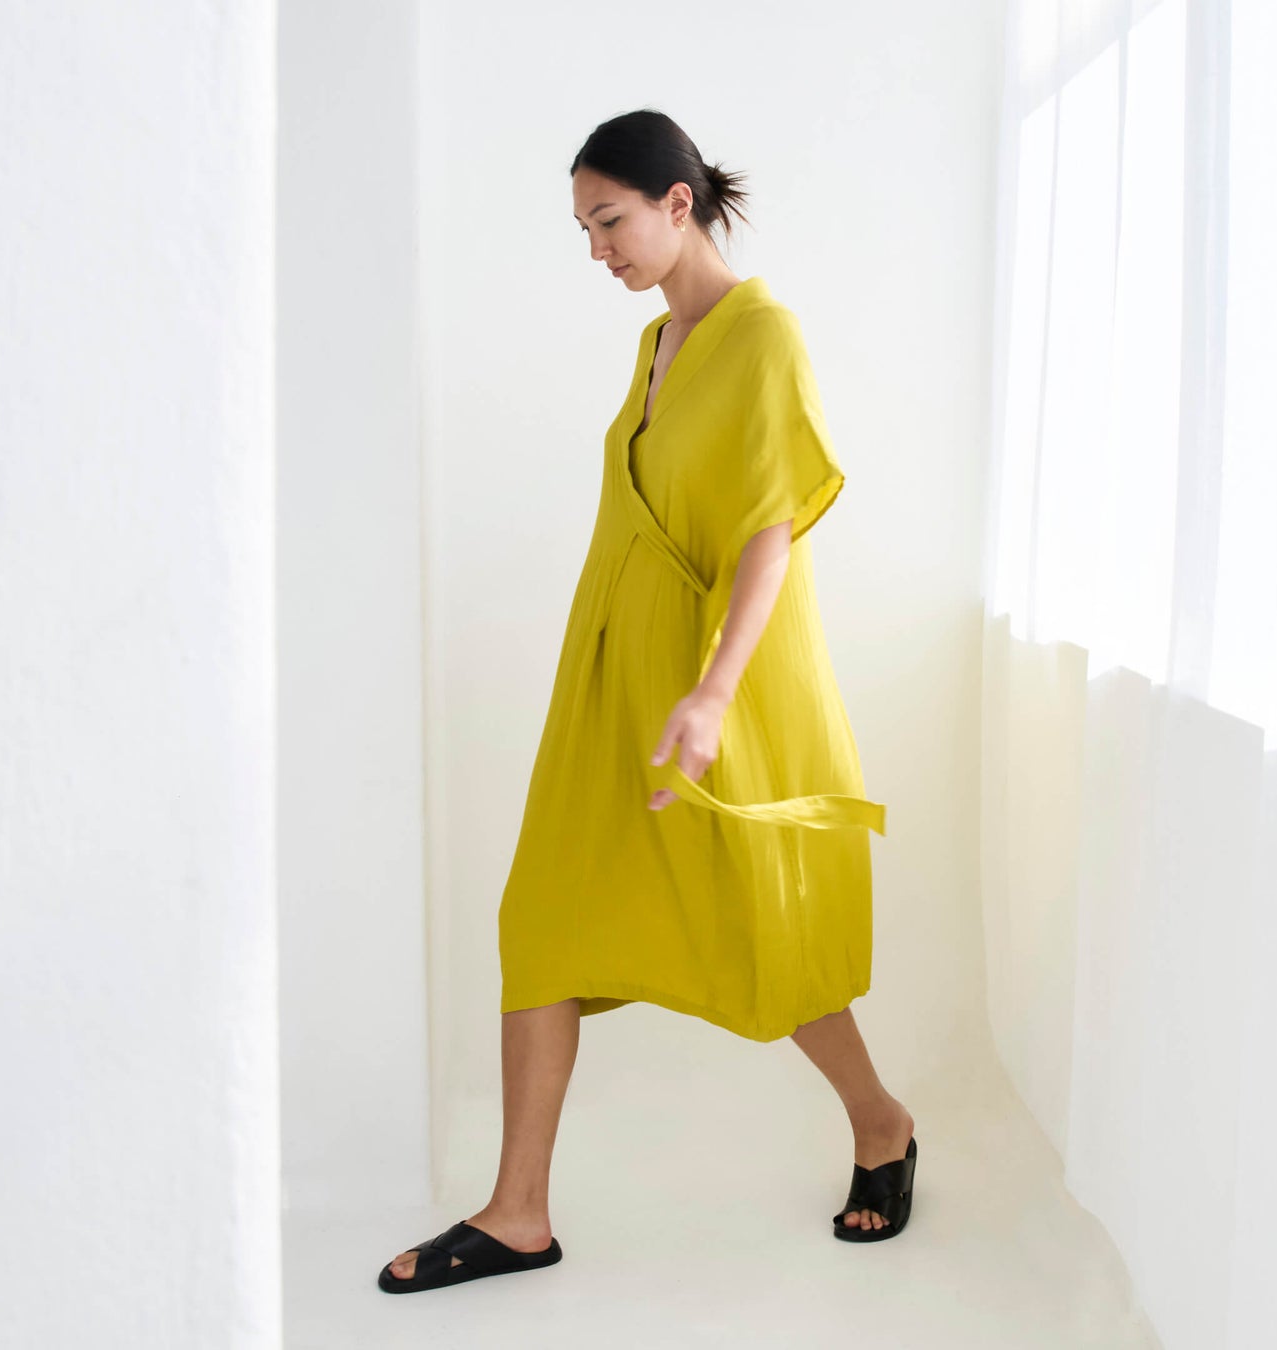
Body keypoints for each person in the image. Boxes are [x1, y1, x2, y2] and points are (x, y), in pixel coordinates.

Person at [380, 108, 914, 1295]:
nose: (596, 250)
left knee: (764, 933)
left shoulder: (763, 335)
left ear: (680, 203)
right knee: (543, 920)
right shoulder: (655, 343)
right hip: (615, 678)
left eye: (608, 220)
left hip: (716, 679)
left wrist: (715, 692)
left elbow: (771, 532)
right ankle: (519, 1212)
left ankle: (882, 1124)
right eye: (583, 228)